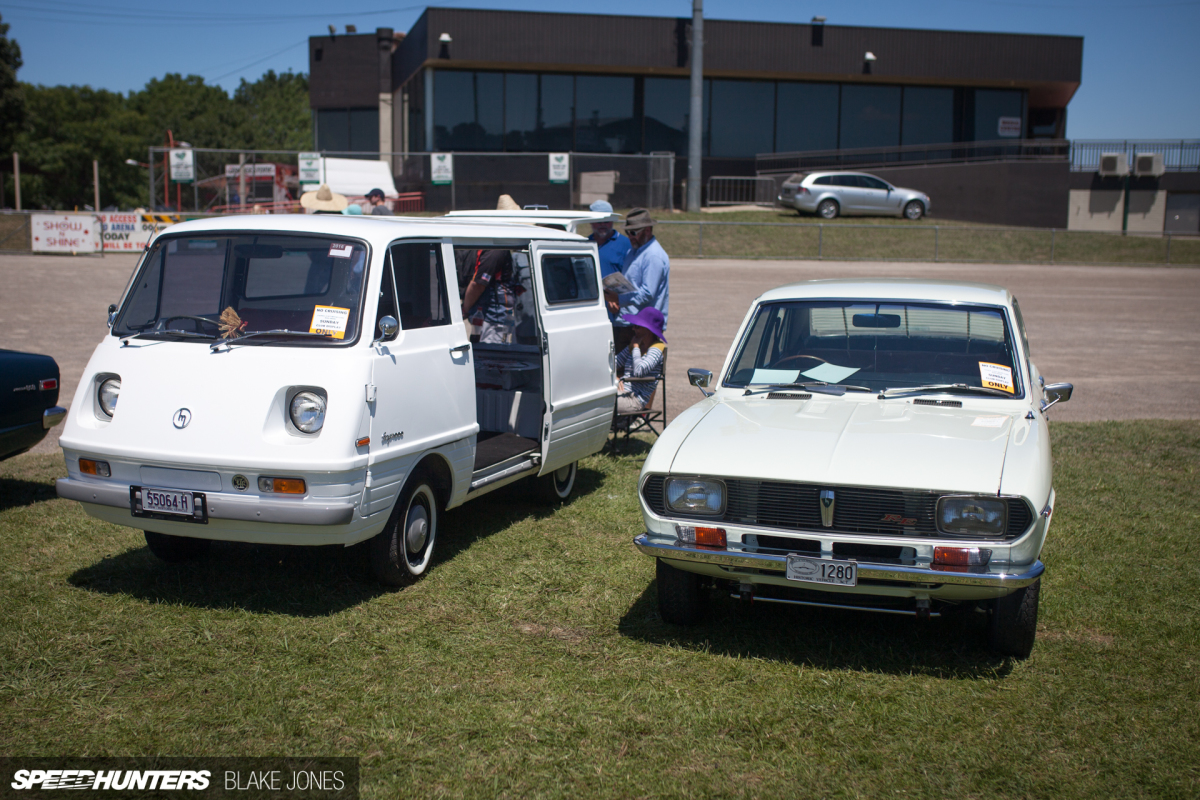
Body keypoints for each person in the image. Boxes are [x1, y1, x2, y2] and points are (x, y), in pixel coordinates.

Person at [606, 207, 669, 353]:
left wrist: (619, 299)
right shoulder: (632, 252)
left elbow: (647, 293)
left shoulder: (653, 256)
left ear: (647, 230)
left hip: (644, 328)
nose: (630, 236)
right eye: (627, 232)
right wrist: (615, 302)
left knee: (639, 373)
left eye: (633, 232)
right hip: (625, 323)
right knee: (620, 372)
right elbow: (629, 286)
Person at [614, 307, 667, 415]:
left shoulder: (656, 349)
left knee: (602, 402)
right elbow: (613, 364)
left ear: (648, 331)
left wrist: (636, 348)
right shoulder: (634, 346)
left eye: (637, 326)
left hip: (636, 400)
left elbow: (639, 371)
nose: (633, 329)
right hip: (622, 393)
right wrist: (615, 377)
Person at [587, 200, 631, 327]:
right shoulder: (585, 244)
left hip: (616, 312)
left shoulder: (626, 244)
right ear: (590, 221)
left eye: (606, 221)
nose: (602, 225)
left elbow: (631, 277)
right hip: (591, 308)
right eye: (598, 221)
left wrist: (619, 298)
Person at [461, 249, 518, 344]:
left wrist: (465, 309)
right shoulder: (482, 246)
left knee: (490, 354)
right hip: (483, 314)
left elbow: (478, 284)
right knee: (480, 350)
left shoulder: (495, 249)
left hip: (493, 317)